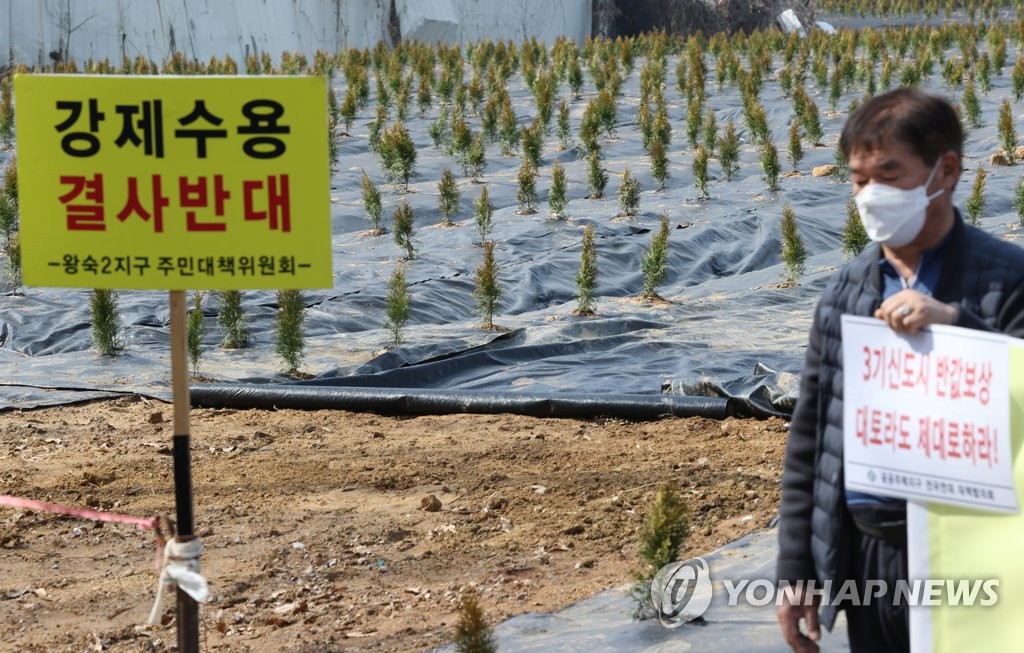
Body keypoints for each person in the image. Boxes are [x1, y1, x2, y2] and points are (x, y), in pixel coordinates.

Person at [775, 87, 1024, 653]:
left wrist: (957, 324)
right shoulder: (847, 290)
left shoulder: (1006, 279)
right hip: (871, 555)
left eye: (890, 175)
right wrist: (796, 568)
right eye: (860, 180)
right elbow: (811, 437)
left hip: (978, 552)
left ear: (947, 170)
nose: (870, 195)